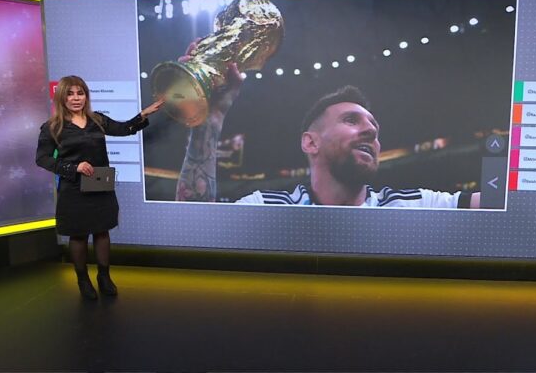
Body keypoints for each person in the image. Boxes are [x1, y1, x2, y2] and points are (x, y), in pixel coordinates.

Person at [174, 62, 480, 208]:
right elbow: (194, 226)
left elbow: (497, 203)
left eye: (374, 128)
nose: (371, 131)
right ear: (310, 142)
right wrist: (210, 119)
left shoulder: (412, 206)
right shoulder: (268, 207)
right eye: (351, 120)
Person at [36, 76, 164, 300]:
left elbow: (123, 128)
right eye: (70, 94)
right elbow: (42, 159)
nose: (76, 98)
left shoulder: (97, 120)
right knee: (78, 235)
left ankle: (104, 277)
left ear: (86, 96)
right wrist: (73, 167)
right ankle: (83, 280)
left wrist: (143, 114)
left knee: (102, 231)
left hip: (99, 185)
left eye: (80, 93)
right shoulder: (52, 127)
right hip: (73, 189)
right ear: (62, 98)